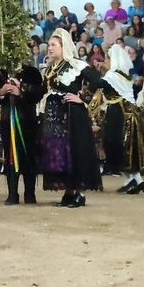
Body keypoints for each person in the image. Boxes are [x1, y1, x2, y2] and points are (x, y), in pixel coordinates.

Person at [38, 28, 103, 207]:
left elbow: (98, 80)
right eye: (49, 45)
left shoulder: (76, 64)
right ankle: (68, 191)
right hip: (54, 115)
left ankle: (79, 193)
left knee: (74, 150)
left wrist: (82, 98)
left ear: (63, 45)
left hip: (72, 114)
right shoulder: (50, 67)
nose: (50, 48)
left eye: (53, 45)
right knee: (60, 151)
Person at [0, 61, 44, 205]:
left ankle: (30, 193)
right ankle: (12, 194)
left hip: (28, 119)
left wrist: (22, 89)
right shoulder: (1, 71)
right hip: (7, 120)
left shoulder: (31, 71)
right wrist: (1, 92)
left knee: (29, 155)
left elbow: (40, 92)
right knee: (10, 155)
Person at [98, 44, 144, 194]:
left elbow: (99, 84)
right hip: (123, 112)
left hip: (120, 114)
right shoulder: (120, 74)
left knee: (118, 146)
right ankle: (137, 181)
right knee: (124, 148)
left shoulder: (113, 76)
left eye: (107, 58)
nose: (105, 61)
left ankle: (132, 181)